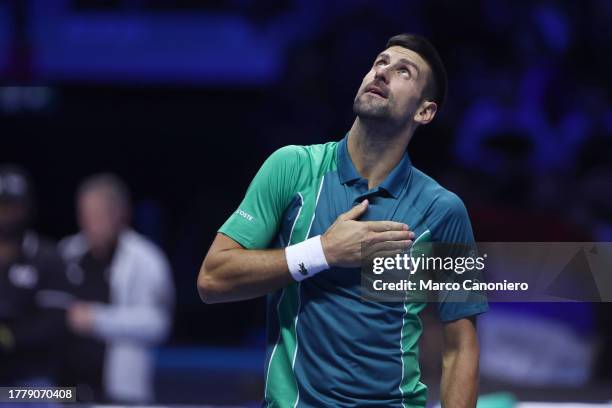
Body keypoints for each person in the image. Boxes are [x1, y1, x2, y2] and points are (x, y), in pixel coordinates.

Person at [198, 33, 488, 407]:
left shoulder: (444, 210)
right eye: (379, 62)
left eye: (403, 72)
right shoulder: (292, 168)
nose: (381, 73)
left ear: (425, 111)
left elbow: (460, 347)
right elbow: (212, 279)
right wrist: (323, 251)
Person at [59, 173, 174, 404]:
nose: (90, 223)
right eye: (85, 214)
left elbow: (158, 324)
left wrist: (96, 319)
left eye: (98, 215)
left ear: (120, 214)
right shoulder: (67, 252)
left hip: (121, 393)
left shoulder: (147, 259)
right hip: (66, 389)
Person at [0, 165, 69, 387]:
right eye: (1, 206)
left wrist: (7, 335)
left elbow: (55, 324)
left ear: (27, 208)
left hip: (34, 381)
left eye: (12, 207)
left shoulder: (47, 257)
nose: (6, 215)